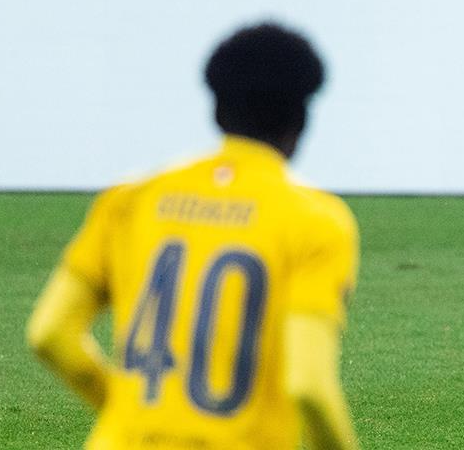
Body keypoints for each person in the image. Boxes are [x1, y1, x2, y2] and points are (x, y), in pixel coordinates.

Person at [26, 24, 360, 449]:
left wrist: (126, 410)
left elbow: (50, 333)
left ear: (217, 110)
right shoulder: (318, 220)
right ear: (300, 119)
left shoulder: (131, 200)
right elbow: (308, 386)